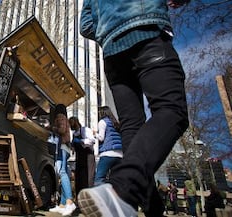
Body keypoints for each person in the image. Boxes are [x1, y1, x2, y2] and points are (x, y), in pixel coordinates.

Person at [78, 0, 190, 216]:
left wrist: (107, 31)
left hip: (112, 53)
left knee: (131, 126)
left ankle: (149, 208)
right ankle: (121, 189)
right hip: (145, 32)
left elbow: (85, 25)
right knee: (172, 109)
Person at [48, 104, 77, 216]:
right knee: (63, 173)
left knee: (62, 173)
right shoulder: (65, 118)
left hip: (61, 147)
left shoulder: (60, 117)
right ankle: (62, 204)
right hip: (65, 148)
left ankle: (70, 202)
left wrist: (50, 127)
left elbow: (61, 129)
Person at [93, 106, 123, 186]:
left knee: (99, 179)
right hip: (119, 155)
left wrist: (95, 134)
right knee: (116, 180)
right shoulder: (115, 123)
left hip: (108, 154)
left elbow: (101, 138)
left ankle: (100, 198)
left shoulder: (103, 122)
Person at [69, 116, 96, 197]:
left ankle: (90, 197)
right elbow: (74, 148)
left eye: (72, 124)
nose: (71, 126)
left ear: (76, 122)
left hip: (88, 156)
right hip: (79, 157)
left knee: (89, 177)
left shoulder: (85, 129)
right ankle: (80, 198)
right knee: (79, 177)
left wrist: (81, 141)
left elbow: (92, 141)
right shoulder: (74, 134)